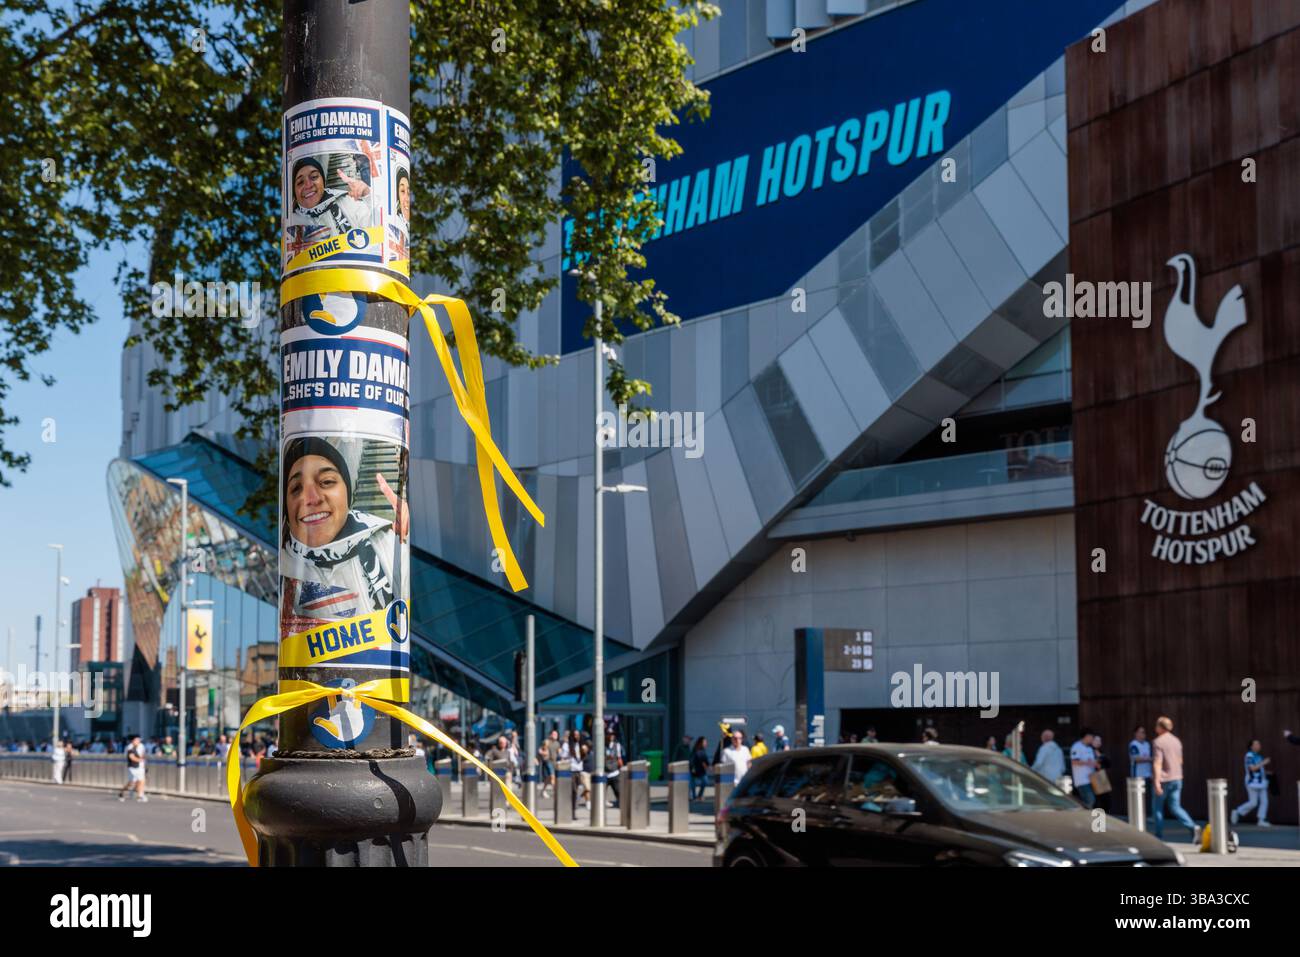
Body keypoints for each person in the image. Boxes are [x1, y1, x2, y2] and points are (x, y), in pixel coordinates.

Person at [281, 437, 409, 628]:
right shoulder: (282, 571)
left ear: (347, 493)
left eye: (326, 481)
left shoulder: (388, 543)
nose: (312, 498)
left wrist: (408, 544)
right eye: (296, 488)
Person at [1151, 716, 1199, 843]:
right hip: (1177, 777)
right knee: (1175, 807)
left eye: (1156, 725)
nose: (1155, 728)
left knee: (1157, 808)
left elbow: (1157, 762)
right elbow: (1180, 760)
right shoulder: (1177, 741)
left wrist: (1156, 781)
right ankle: (1193, 827)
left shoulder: (1158, 742)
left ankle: (1159, 836)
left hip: (1164, 779)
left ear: (1160, 727)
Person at [1231, 739, 1271, 827]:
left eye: (1259, 744)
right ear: (1251, 746)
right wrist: (1264, 762)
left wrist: (1266, 773)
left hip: (1262, 782)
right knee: (1253, 802)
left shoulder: (1259, 756)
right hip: (1252, 782)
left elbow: (1259, 769)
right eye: (1256, 744)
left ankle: (1261, 820)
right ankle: (1237, 811)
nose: (1258, 745)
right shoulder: (1249, 755)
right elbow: (1252, 768)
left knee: (1264, 801)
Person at [1070, 730, 1099, 808]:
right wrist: (1088, 763)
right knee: (1090, 800)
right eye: (1091, 737)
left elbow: (1091, 761)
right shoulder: (1076, 746)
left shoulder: (1090, 748)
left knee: (1093, 800)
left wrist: (1095, 764)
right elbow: (1074, 761)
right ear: (1086, 737)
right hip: (1082, 780)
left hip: (1092, 779)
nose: (1092, 739)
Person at [1128, 726, 1152, 813]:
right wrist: (1151, 759)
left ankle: (1146, 815)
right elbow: (1136, 759)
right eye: (1141, 732)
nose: (1143, 734)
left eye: (1144, 732)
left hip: (1147, 774)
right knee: (1138, 797)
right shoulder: (1133, 744)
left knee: (1147, 797)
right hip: (1137, 775)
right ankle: (1136, 815)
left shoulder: (1147, 744)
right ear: (1136, 733)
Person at [117, 734, 148, 803]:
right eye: (137, 740)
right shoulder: (130, 747)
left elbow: (143, 754)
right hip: (133, 767)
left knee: (141, 780)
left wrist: (143, 763)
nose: (138, 741)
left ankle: (140, 796)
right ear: (133, 741)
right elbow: (132, 757)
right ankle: (122, 792)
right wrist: (139, 760)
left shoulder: (141, 746)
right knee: (131, 783)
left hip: (141, 766)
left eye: (139, 740)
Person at [605, 731, 625, 806]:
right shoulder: (602, 745)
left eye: (612, 734)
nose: (611, 736)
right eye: (609, 734)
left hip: (614, 773)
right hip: (605, 773)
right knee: (600, 793)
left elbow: (619, 758)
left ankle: (621, 806)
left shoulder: (617, 745)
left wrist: (622, 769)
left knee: (618, 791)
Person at [689, 737, 710, 801]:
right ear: (700, 743)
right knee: (694, 783)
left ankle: (697, 796)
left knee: (704, 782)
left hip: (699, 770)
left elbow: (704, 760)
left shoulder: (701, 750)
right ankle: (695, 796)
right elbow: (694, 759)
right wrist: (692, 767)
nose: (706, 743)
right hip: (696, 769)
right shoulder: (697, 751)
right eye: (704, 742)